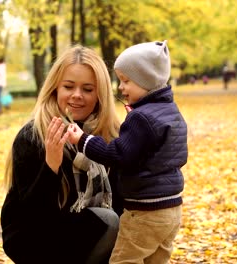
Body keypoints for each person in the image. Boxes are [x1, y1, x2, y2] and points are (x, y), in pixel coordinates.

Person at [0, 45, 123, 264]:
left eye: (87, 89)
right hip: (33, 235)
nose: (77, 95)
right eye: (68, 86)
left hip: (82, 232)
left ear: (100, 94)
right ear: (56, 87)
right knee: (108, 221)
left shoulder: (110, 137)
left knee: (115, 223)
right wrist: (51, 165)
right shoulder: (33, 135)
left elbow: (121, 201)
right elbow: (33, 216)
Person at [68, 40, 188, 264]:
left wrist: (83, 140)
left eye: (126, 81)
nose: (120, 88)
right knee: (155, 259)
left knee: (125, 259)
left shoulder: (141, 117)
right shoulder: (171, 111)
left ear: (146, 81)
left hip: (145, 211)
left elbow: (118, 155)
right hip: (171, 210)